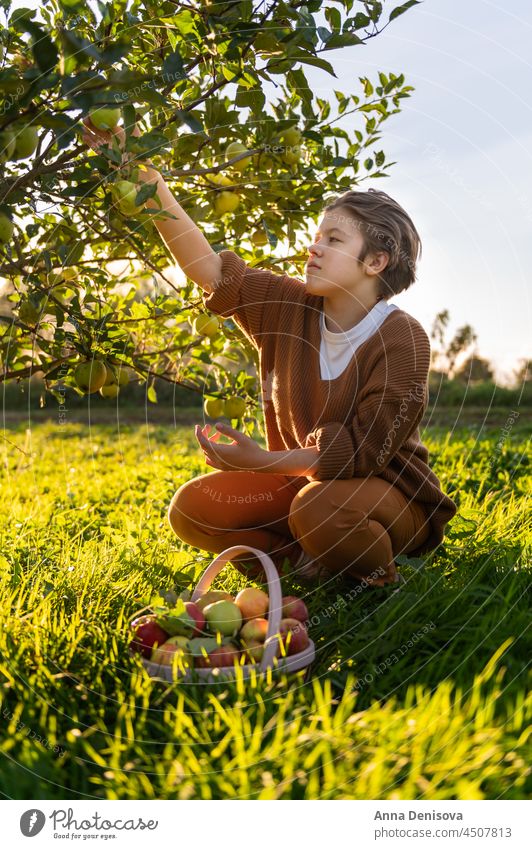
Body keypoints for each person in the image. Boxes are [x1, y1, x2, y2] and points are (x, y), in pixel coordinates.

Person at [82, 116, 457, 587]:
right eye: (317, 237)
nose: (314, 248)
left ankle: (377, 577)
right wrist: (147, 180)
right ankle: (299, 563)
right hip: (302, 487)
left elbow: (362, 453)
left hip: (385, 498)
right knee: (192, 509)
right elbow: (212, 270)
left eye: (334, 240)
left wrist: (261, 463)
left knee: (320, 506)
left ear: (376, 261)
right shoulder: (287, 307)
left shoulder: (403, 338)